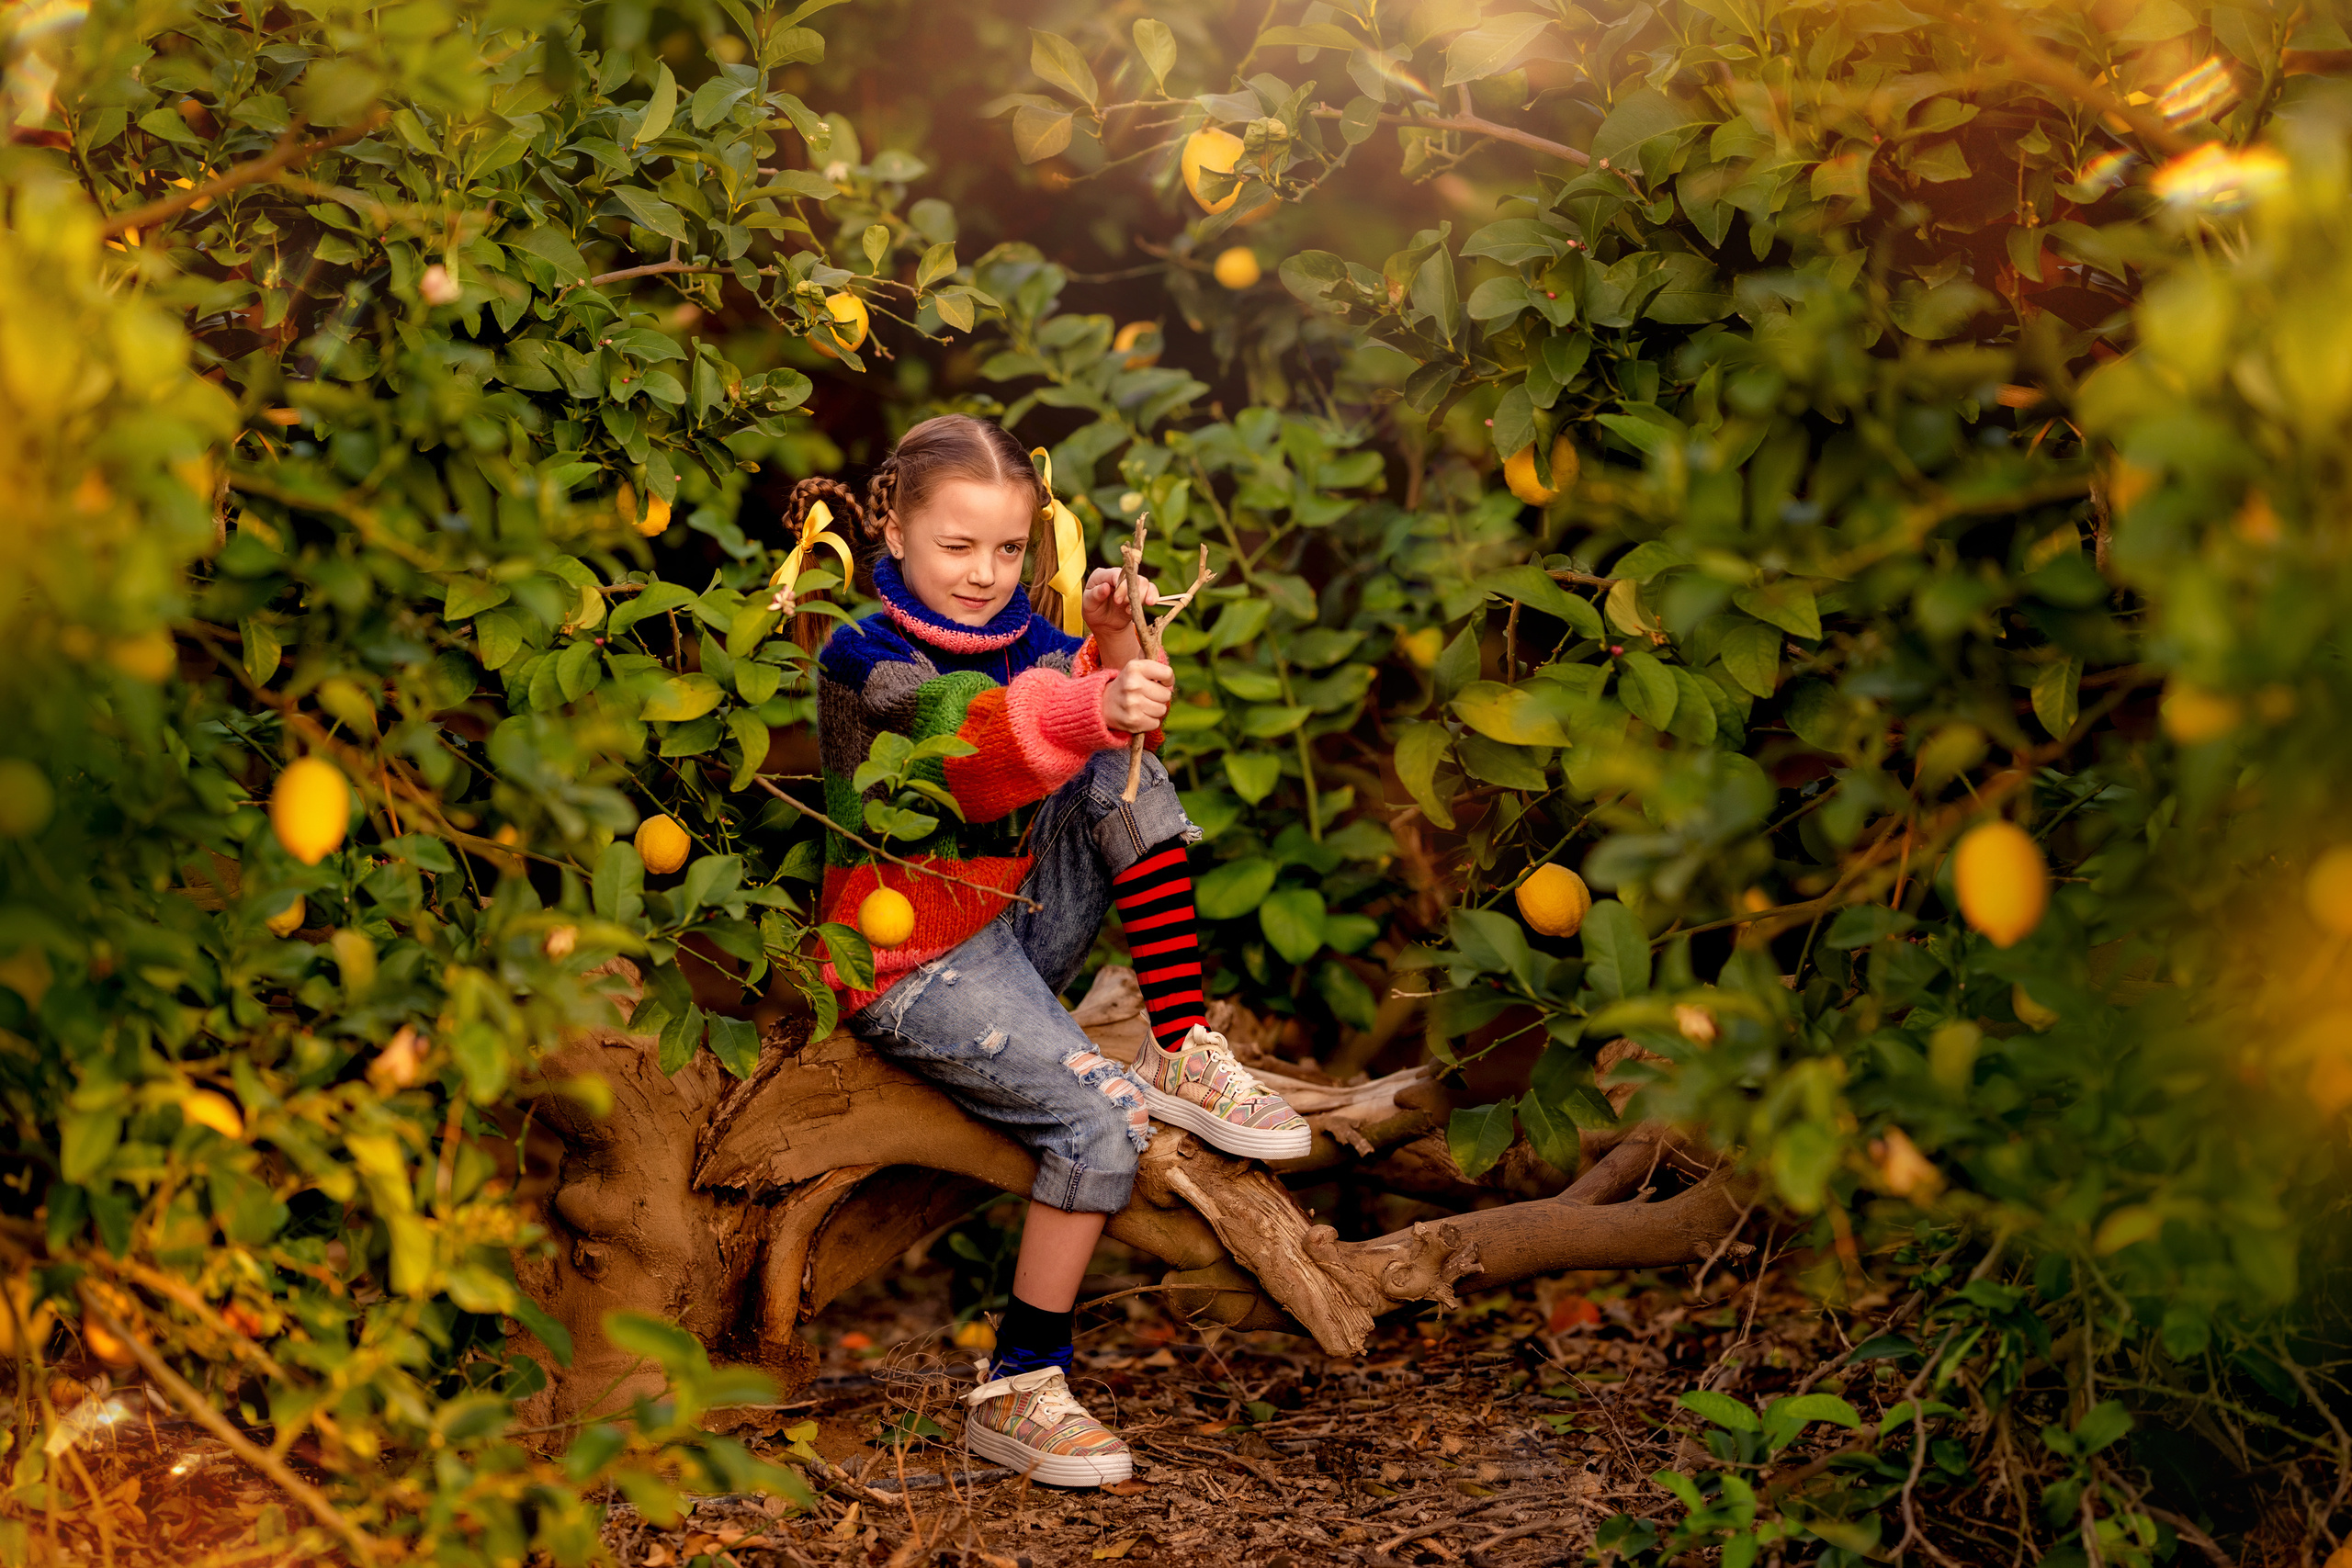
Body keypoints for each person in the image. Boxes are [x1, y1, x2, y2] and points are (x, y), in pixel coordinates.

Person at [799, 413, 1309, 1488]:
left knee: (1120, 771)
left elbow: (1109, 732)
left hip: (1012, 924)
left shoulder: (1024, 636)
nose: (986, 575)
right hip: (908, 959)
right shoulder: (865, 656)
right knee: (1099, 1121)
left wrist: (1115, 640)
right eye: (957, 547)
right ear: (889, 526)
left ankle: (1179, 1038)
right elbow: (975, 743)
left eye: (1006, 550)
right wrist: (1091, 697)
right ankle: (1021, 1387)